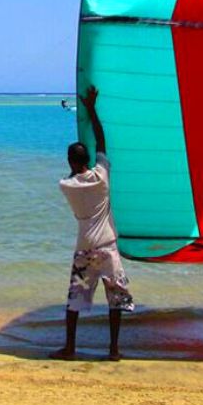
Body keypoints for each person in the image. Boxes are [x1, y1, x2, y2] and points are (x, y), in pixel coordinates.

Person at [50, 85, 134, 361]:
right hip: (108, 248)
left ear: (71, 162)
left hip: (85, 248)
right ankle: (113, 350)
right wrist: (92, 108)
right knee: (116, 301)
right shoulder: (102, 176)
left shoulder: (66, 184)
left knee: (76, 300)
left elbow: (73, 171)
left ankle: (70, 349)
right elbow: (101, 141)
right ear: (88, 160)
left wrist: (74, 164)